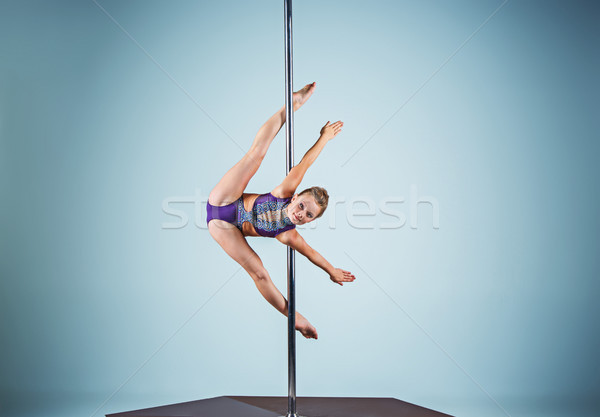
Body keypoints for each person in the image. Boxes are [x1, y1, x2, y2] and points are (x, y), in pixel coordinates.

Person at [206, 82, 356, 340]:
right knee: (257, 154)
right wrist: (324, 137)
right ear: (296, 196)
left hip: (223, 228)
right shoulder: (286, 191)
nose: (300, 213)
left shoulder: (288, 234)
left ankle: (295, 318)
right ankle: (292, 105)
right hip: (224, 201)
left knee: (260, 274)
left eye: (308, 216)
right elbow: (306, 162)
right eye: (302, 206)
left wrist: (331, 270)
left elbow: (312, 254)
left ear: (309, 222)